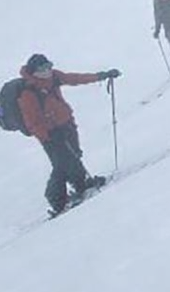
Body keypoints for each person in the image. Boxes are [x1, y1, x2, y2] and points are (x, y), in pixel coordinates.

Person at [17, 53, 120, 214]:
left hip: (66, 124)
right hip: (50, 134)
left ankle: (81, 184)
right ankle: (56, 199)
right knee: (61, 165)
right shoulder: (28, 92)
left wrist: (102, 76)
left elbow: (75, 79)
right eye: (44, 68)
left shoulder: (54, 77)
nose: (48, 70)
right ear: (34, 71)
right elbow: (32, 122)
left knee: (74, 155)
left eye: (49, 66)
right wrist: (47, 136)